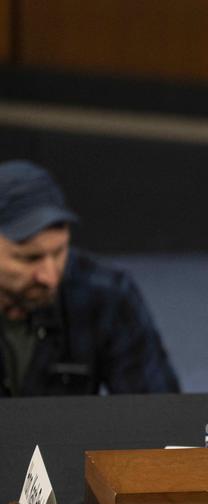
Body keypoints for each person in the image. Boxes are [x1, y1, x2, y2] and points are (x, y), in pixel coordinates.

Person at [0, 160, 179, 396]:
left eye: (58, 252)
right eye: (29, 259)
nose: (50, 277)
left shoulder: (107, 293)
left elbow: (157, 411)